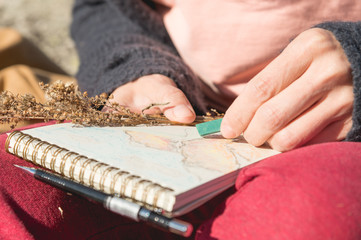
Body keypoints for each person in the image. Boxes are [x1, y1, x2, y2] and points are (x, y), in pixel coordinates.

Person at [70, 0, 361, 239]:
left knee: (311, 215)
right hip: (186, 116)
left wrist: (356, 54)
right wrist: (135, 67)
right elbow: (104, 6)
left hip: (337, 133)